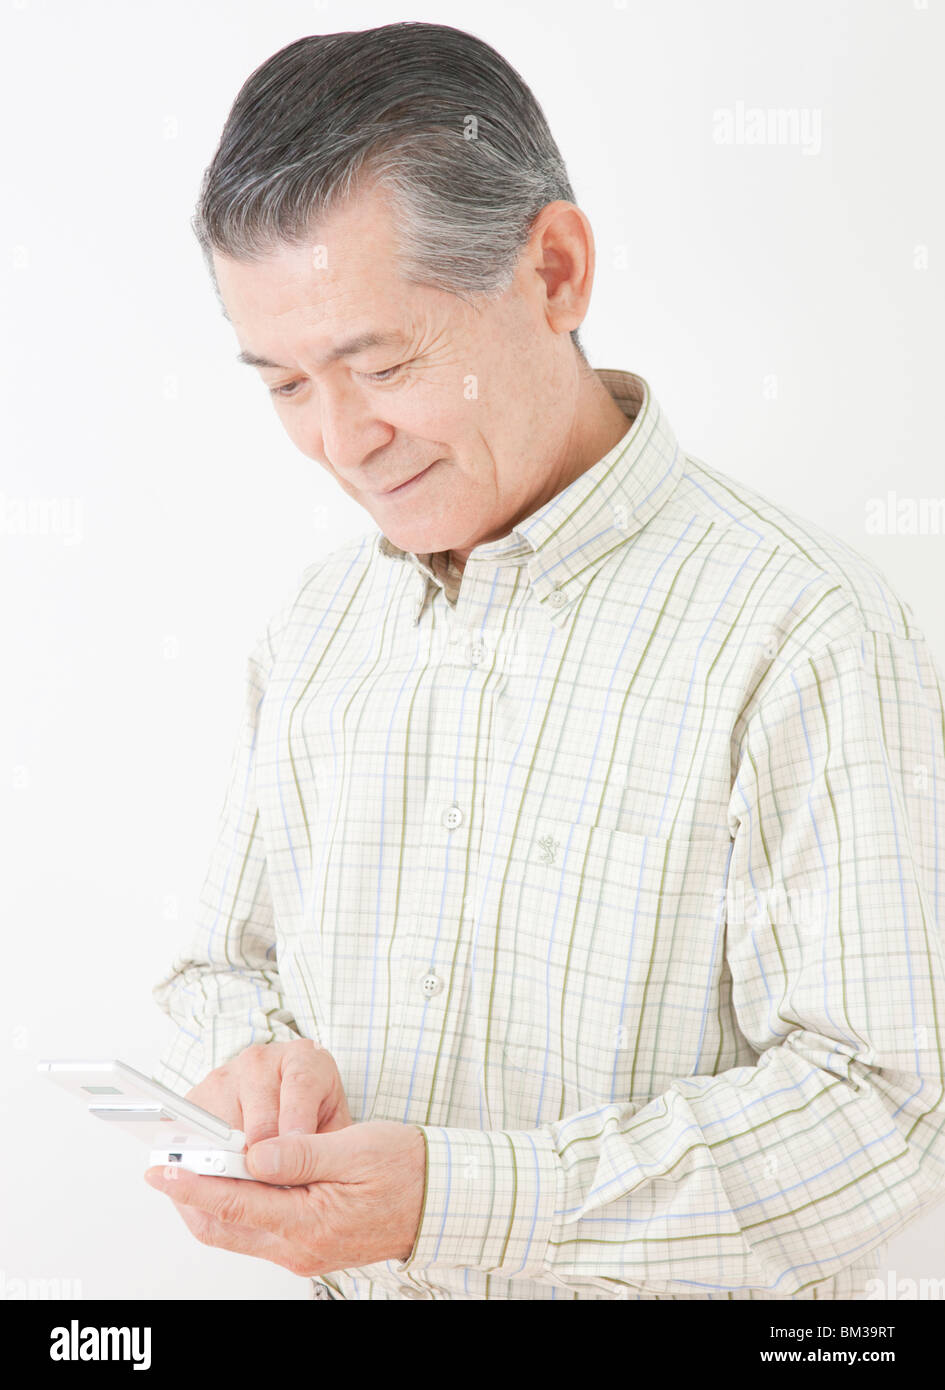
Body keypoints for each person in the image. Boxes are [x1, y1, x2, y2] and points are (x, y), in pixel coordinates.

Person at [144, 21, 945, 1301]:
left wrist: (458, 1200)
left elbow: (882, 1111)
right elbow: (223, 967)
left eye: (381, 363)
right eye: (285, 385)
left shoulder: (805, 629)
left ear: (555, 274)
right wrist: (257, 1064)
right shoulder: (316, 626)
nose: (339, 440)